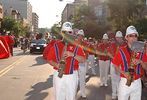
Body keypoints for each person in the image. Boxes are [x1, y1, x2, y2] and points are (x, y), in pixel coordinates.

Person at [47, 22, 86, 100]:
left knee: (71, 97)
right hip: (58, 75)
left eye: (69, 32)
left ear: (72, 33)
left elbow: (83, 59)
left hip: (72, 75)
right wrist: (57, 65)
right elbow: (49, 59)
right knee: (59, 97)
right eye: (65, 32)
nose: (67, 34)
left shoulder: (76, 45)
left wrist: (72, 55)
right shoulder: (56, 45)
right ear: (62, 33)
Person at [112, 25, 147, 100]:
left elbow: (146, 67)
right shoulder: (121, 50)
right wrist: (124, 73)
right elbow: (115, 65)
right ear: (126, 37)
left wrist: (140, 61)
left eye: (135, 36)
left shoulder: (141, 50)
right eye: (131, 36)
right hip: (125, 82)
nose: (134, 38)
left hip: (137, 82)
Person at [108, 31, 126, 100]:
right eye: (117, 37)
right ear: (115, 38)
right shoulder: (112, 44)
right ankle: (114, 94)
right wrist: (114, 59)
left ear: (122, 38)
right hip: (113, 63)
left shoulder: (125, 44)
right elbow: (108, 53)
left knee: (120, 80)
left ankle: (119, 94)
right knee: (113, 79)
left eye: (119, 38)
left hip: (121, 64)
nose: (118, 39)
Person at [76, 29, 87, 98]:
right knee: (75, 79)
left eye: (81, 36)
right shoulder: (74, 42)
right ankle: (74, 92)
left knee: (82, 79)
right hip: (75, 63)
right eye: (79, 36)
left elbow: (87, 53)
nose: (80, 37)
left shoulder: (85, 44)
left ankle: (83, 93)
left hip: (83, 63)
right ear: (77, 36)